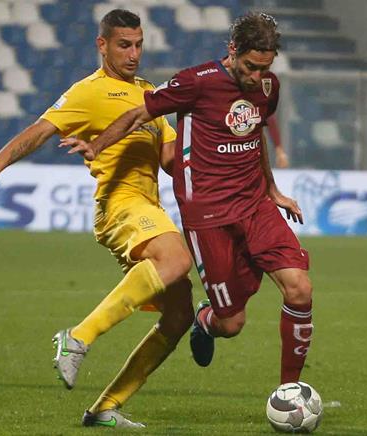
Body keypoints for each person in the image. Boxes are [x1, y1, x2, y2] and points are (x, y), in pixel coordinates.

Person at [0, 9, 195, 428]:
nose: (134, 54)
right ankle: (77, 337)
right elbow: (39, 131)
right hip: (119, 204)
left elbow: (169, 160)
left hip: (149, 206)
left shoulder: (149, 94)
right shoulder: (88, 91)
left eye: (139, 45)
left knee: (179, 316)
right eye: (124, 45)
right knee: (176, 260)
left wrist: (201, 131)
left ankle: (105, 407)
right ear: (102, 45)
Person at [62, 12, 314, 387]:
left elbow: (255, 132)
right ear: (233, 50)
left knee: (300, 288)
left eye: (265, 68)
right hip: (209, 216)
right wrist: (97, 146)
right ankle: (205, 321)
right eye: (250, 66)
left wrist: (272, 190)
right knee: (231, 323)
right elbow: (138, 115)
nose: (256, 76)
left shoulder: (267, 86)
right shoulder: (196, 81)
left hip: (255, 206)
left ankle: (289, 390)